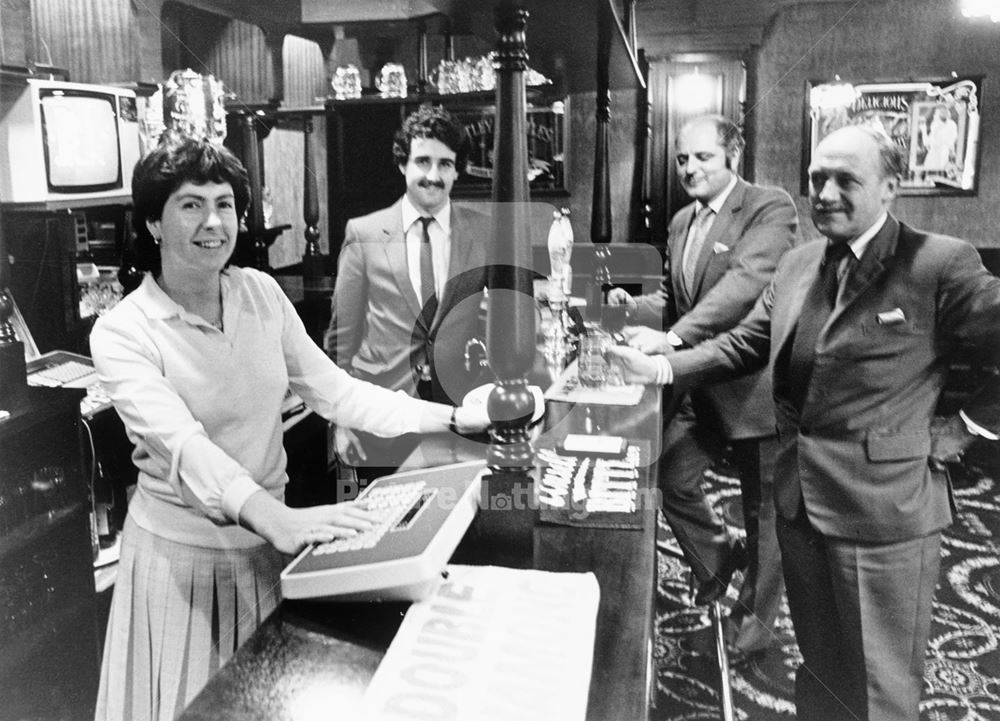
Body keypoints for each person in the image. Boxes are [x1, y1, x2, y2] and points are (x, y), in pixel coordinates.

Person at [90, 133, 489, 721]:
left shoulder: (260, 293)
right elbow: (184, 448)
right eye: (190, 204)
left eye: (224, 203)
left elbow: (340, 394)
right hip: (182, 565)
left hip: (266, 552)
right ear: (153, 221)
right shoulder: (123, 331)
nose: (213, 222)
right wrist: (277, 518)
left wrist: (450, 417)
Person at [608, 124, 1000, 721]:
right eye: (818, 178)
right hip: (800, 504)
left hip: (883, 512)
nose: (827, 192)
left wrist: (969, 427)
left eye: (848, 179)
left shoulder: (939, 263)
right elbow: (743, 345)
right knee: (820, 672)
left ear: (891, 187)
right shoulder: (798, 264)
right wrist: (661, 368)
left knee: (877, 690)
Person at [608, 114, 797, 662]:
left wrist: (670, 337)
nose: (690, 168)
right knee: (667, 475)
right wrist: (634, 308)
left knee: (765, 522)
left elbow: (744, 288)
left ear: (732, 155)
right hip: (701, 389)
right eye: (683, 159)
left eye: (703, 158)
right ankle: (717, 556)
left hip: (757, 393)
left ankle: (751, 633)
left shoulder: (769, 207)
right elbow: (678, 295)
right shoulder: (680, 221)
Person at [324, 104, 490, 474]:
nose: (433, 175)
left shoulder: (483, 233)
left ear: (457, 169)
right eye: (423, 162)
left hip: (455, 418)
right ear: (403, 164)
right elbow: (341, 341)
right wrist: (340, 420)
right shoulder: (363, 233)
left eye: (445, 164)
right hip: (379, 420)